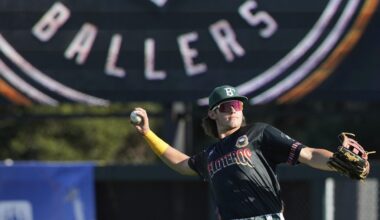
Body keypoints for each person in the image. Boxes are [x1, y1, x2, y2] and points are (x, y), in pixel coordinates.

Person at [130, 85, 361, 220]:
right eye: (226, 107)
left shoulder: (259, 133)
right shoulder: (210, 154)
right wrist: (148, 134)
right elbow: (182, 164)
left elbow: (308, 154)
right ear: (213, 114)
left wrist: (334, 161)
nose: (234, 110)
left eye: (238, 105)